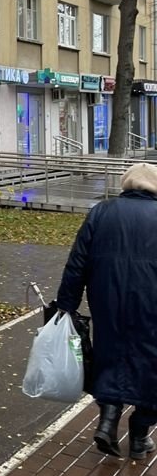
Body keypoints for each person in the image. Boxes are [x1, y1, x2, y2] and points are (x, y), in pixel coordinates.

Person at [55, 162, 157, 460]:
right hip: (152, 304)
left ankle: (108, 419)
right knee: (151, 364)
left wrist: (66, 305)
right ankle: (139, 435)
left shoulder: (101, 212)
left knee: (110, 354)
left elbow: (77, 262)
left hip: (107, 300)